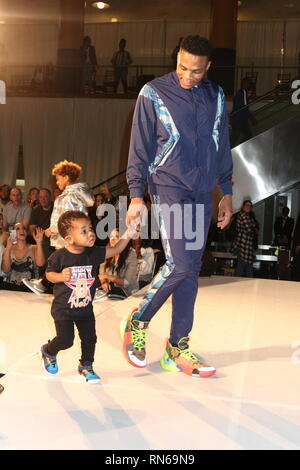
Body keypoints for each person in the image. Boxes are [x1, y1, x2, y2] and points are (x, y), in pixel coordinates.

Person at [121, 35, 233, 378]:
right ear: (177, 59)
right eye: (182, 67)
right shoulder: (153, 92)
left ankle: (177, 347)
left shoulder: (215, 95)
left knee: (191, 269)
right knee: (181, 262)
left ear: (208, 67)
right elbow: (139, 145)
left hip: (201, 191)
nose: (187, 75)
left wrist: (226, 190)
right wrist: (136, 195)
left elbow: (221, 141)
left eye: (196, 71)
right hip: (168, 185)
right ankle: (138, 319)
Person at [39, 210, 134, 383]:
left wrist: (129, 231)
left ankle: (86, 365)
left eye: (90, 228)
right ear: (68, 238)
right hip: (64, 310)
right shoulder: (59, 256)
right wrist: (60, 277)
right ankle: (49, 351)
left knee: (90, 339)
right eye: (83, 231)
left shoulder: (94, 253)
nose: (90, 233)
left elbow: (117, 248)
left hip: (85, 308)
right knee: (66, 340)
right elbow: (49, 275)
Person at [23, 160, 94, 295]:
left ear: (66, 177)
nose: (57, 182)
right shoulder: (78, 194)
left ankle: (44, 284)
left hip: (67, 237)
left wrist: (51, 230)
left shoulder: (66, 197)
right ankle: (44, 283)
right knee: (68, 264)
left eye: (58, 178)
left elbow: (66, 218)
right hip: (75, 236)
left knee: (63, 262)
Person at [1, 223, 45, 291]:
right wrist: (9, 247)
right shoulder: (8, 249)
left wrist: (39, 242)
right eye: (18, 229)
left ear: (26, 232)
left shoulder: (34, 248)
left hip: (30, 288)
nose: (22, 230)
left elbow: (41, 264)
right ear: (12, 233)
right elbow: (6, 270)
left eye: (24, 228)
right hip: (10, 288)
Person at [97, 228, 139, 299]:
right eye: (111, 236)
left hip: (128, 293)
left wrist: (107, 277)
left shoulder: (131, 255)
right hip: (111, 291)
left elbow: (126, 282)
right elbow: (102, 274)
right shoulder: (106, 253)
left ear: (123, 241)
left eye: (117, 236)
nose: (113, 239)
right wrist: (104, 282)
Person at [233, 200, 259, 278]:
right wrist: (254, 228)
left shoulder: (248, 216)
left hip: (246, 244)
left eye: (250, 206)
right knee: (243, 266)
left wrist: (254, 228)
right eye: (247, 205)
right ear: (243, 206)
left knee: (246, 266)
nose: (249, 207)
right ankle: (238, 283)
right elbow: (249, 229)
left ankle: (245, 283)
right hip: (243, 244)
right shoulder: (243, 216)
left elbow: (254, 227)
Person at [29, 188, 54, 262]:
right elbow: (31, 228)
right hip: (40, 235)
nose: (43, 199)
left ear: (50, 197)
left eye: (45, 196)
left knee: (47, 243)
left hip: (53, 234)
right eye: (40, 197)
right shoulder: (36, 211)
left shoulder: (56, 208)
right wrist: (37, 237)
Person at [230, 78, 256, 147]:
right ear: (244, 84)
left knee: (243, 135)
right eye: (248, 83)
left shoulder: (240, 93)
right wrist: (251, 118)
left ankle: (231, 149)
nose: (249, 85)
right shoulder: (243, 92)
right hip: (239, 119)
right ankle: (228, 150)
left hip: (238, 118)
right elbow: (244, 107)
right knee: (238, 135)